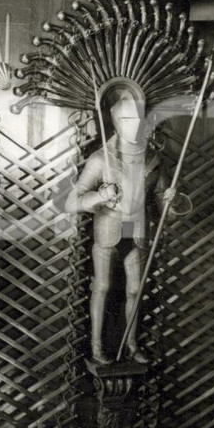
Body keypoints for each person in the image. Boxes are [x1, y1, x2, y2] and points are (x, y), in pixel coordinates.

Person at [65, 86, 173, 365]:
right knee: (102, 286)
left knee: (135, 290)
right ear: (115, 122)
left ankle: (132, 344)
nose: (134, 126)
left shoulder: (152, 158)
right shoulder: (100, 159)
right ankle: (97, 347)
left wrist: (171, 198)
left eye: (138, 120)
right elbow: (71, 202)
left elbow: (163, 204)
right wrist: (100, 196)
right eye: (127, 120)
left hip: (135, 228)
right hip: (109, 227)